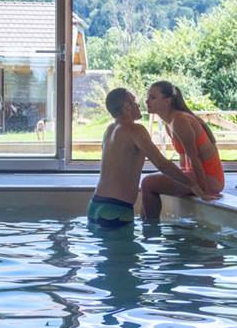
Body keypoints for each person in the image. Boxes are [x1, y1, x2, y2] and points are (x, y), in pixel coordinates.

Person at [88, 88, 206, 229]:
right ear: (127, 106)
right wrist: (192, 185)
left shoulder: (109, 130)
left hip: (95, 205)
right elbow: (162, 164)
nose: (139, 105)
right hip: (116, 209)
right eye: (135, 102)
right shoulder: (135, 130)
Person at [141, 81, 225, 221]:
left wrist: (204, 192)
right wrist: (181, 179)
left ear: (167, 101)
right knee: (152, 181)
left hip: (210, 179)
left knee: (148, 183)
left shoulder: (180, 120)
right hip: (197, 176)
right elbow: (183, 160)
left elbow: (194, 159)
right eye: (148, 97)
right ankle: (147, 223)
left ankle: (150, 228)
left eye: (152, 97)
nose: (147, 101)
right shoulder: (169, 123)